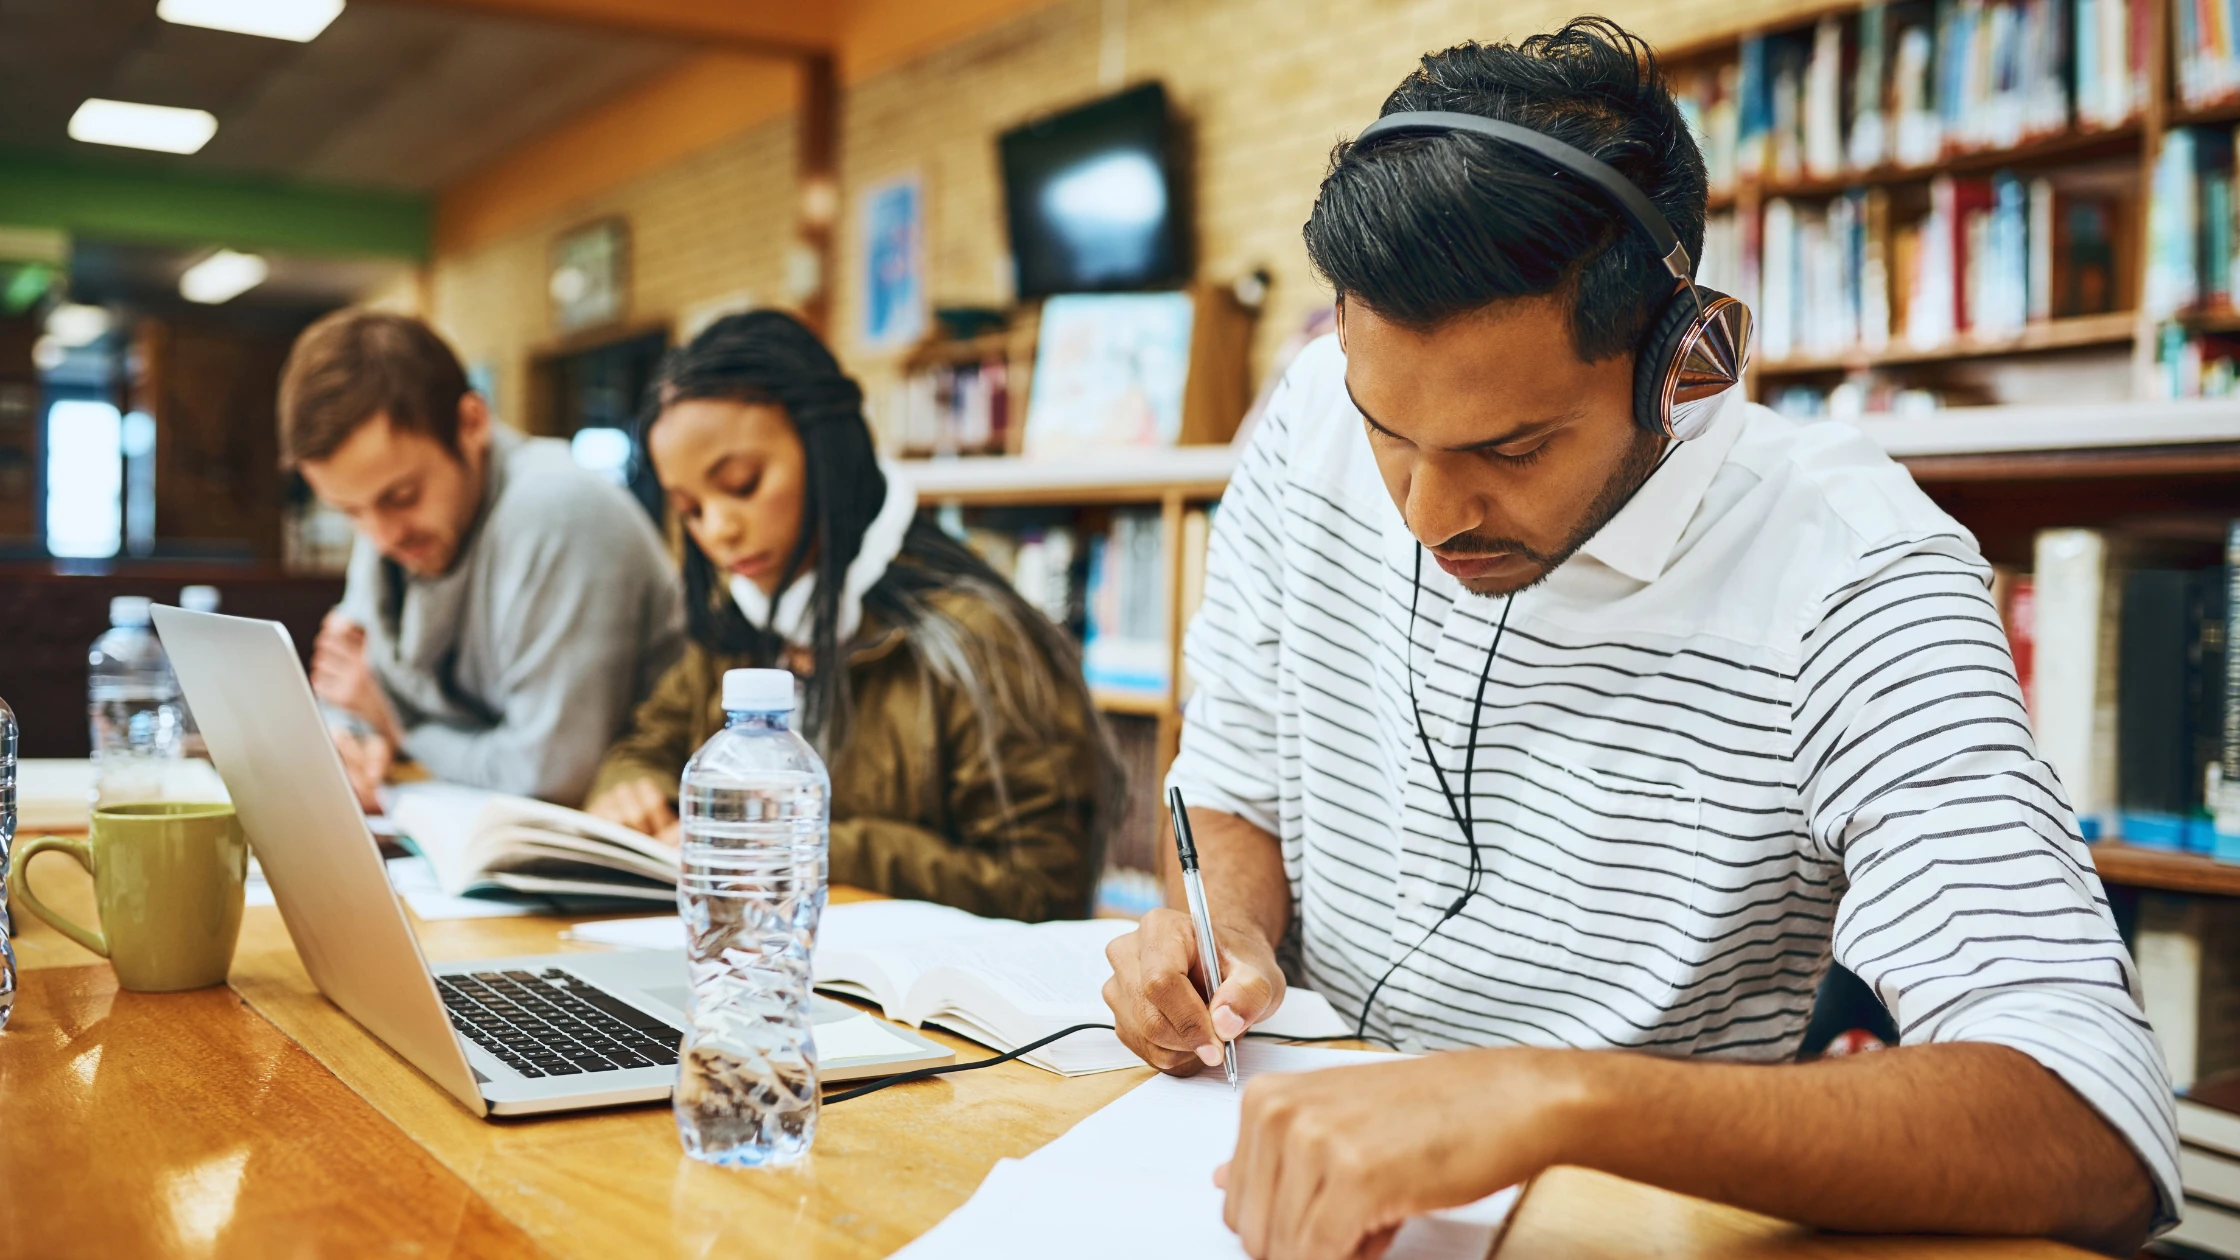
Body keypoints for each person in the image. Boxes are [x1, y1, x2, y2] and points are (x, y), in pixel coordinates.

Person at [1099, 20, 2175, 1259]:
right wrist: (1222, 932)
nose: (1425, 514)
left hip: (1625, 1226)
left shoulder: (1850, 568)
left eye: (1509, 450)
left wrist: (1548, 1101)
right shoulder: (1304, 419)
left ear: (1684, 364)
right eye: (1386, 431)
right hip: (1289, 1170)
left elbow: (2097, 1126)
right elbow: (1231, 788)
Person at [584, 310, 1121, 922]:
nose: (719, 530)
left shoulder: (974, 638)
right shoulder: (738, 628)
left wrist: (805, 844)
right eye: (690, 510)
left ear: (827, 451)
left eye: (741, 483)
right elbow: (647, 746)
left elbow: (1043, 890)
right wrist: (629, 794)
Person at [279, 310, 683, 808]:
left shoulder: (557, 511)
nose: (380, 537)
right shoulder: (393, 528)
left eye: (402, 495)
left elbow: (549, 773)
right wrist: (353, 743)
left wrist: (398, 727)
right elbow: (347, 690)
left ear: (471, 423)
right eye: (351, 512)